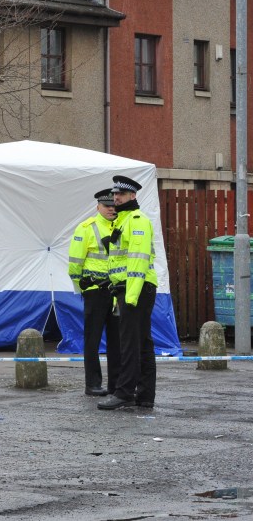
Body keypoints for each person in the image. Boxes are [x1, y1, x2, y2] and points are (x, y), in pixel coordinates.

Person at [97, 175, 158, 411]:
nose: (116, 198)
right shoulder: (122, 222)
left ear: (133, 196)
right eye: (114, 195)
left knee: (130, 343)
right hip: (130, 289)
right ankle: (144, 396)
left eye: (120, 194)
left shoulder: (137, 220)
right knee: (142, 342)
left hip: (136, 289)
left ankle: (124, 393)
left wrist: (130, 296)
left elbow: (137, 262)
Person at [68, 188, 119, 397]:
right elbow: (74, 265)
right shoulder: (86, 228)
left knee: (117, 342)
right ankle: (93, 384)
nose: (111, 209)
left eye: (114, 206)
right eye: (107, 206)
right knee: (93, 340)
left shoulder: (122, 226)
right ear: (98, 206)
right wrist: (83, 289)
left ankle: (116, 384)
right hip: (95, 291)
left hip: (117, 291)